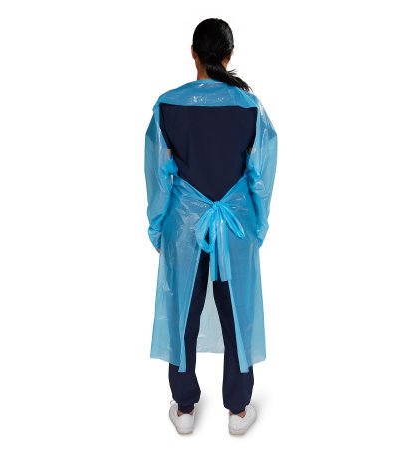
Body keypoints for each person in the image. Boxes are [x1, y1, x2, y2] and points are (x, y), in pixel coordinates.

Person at [144, 18, 278, 435]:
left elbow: (157, 174)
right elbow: (261, 173)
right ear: (229, 54)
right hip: (234, 227)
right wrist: (257, 224)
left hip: (184, 228)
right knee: (237, 311)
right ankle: (238, 410)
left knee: (182, 309)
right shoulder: (249, 107)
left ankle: (184, 408)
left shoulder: (167, 106)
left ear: (193, 53)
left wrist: (157, 226)